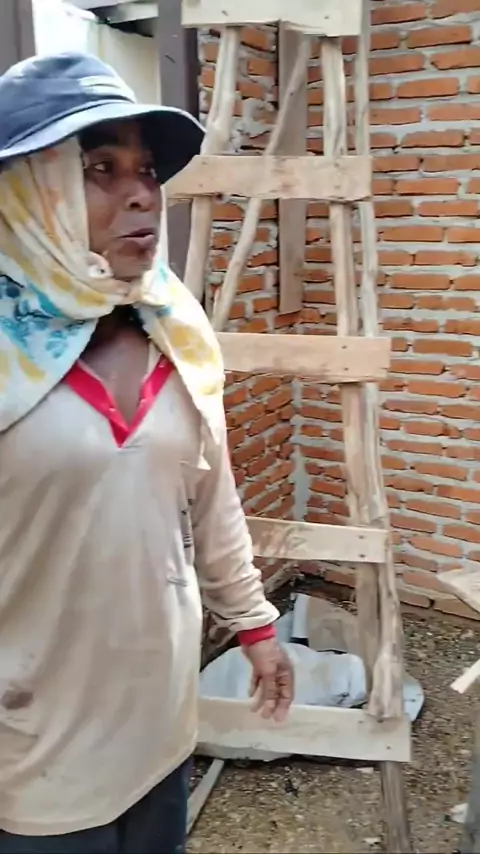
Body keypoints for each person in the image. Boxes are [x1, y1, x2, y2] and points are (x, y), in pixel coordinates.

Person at [0, 52, 294, 854]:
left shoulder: (172, 327)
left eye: (147, 171)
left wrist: (254, 625)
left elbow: (209, 493)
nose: (141, 195)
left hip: (159, 725)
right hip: (32, 754)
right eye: (100, 169)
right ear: (26, 193)